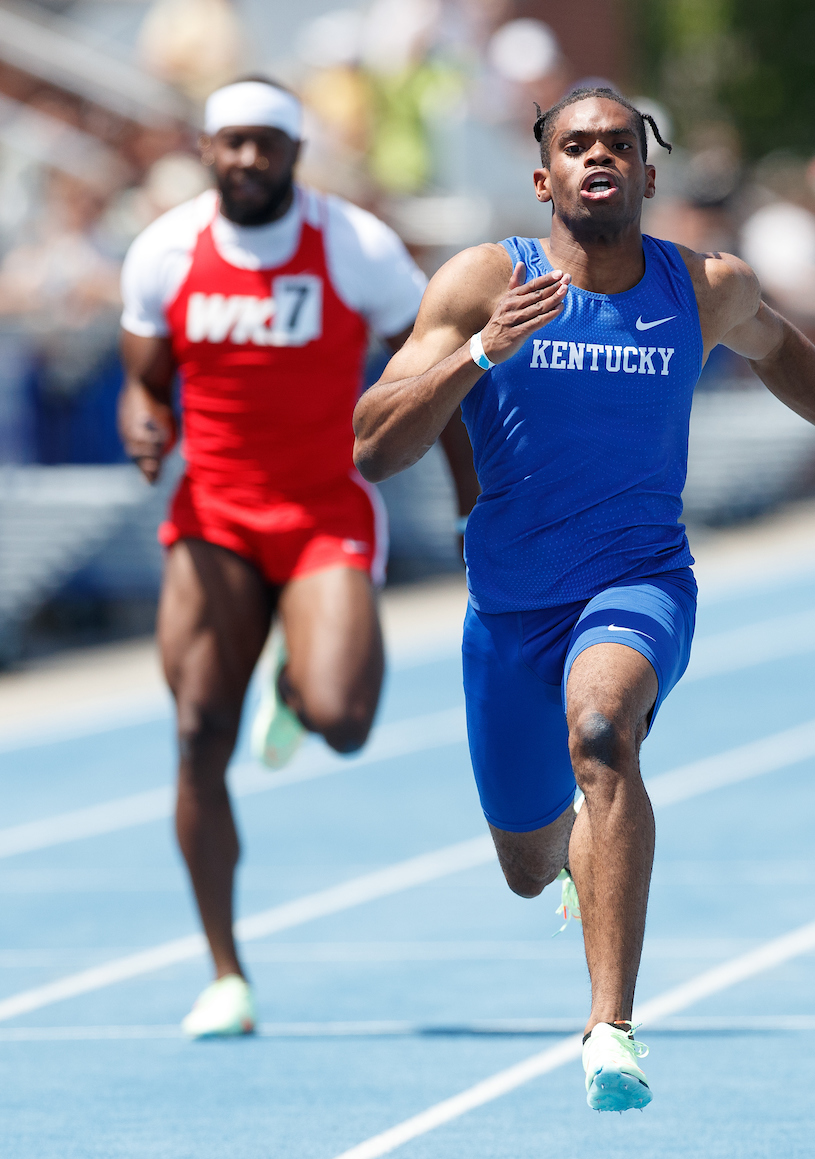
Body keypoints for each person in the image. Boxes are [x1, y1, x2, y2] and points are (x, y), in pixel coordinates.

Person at [352, 86, 815, 1112]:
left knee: (603, 732)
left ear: (648, 174)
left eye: (618, 144)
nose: (598, 158)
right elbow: (373, 442)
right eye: (576, 146)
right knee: (528, 867)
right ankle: (581, 856)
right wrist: (481, 350)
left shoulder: (702, 286)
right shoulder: (485, 280)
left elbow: (785, 350)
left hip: (640, 579)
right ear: (544, 180)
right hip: (510, 607)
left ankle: (608, 1029)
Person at [118, 78, 477, 1038]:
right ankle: (225, 974)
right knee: (198, 732)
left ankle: (296, 672)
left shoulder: (355, 248)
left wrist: (474, 500)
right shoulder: (165, 251)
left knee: (345, 720)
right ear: (206, 149)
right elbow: (144, 385)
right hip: (215, 518)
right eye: (229, 143)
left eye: (264, 145)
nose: (246, 160)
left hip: (325, 511)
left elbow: (436, 373)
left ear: (293, 151)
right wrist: (146, 426)